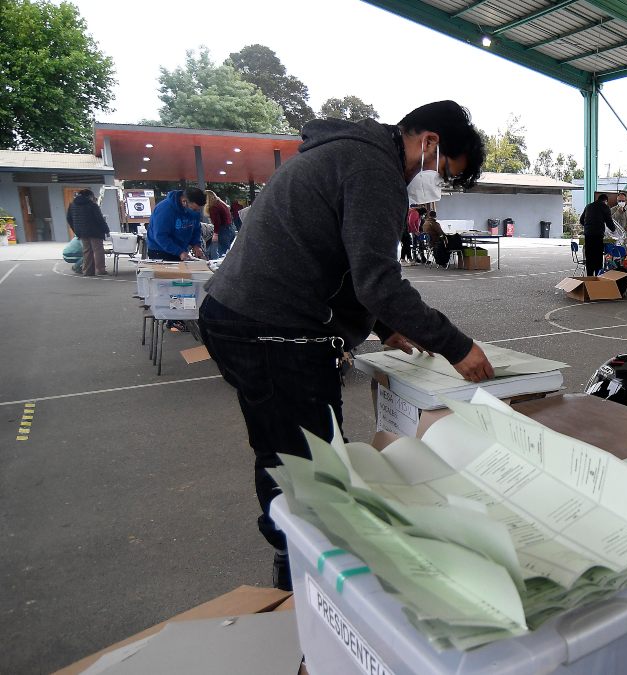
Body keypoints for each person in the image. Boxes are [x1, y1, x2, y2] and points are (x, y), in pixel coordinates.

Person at [197, 100, 494, 590]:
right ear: (430, 144)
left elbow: (343, 260)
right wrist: (456, 346)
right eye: (445, 172)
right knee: (310, 466)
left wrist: (381, 327)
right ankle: (301, 575)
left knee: (285, 448)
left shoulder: (350, 153)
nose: (436, 184)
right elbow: (379, 281)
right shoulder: (374, 169)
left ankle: (294, 558)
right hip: (273, 329)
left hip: (243, 317)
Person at [147, 187, 206, 261]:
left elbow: (196, 229)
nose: (196, 212)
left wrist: (196, 245)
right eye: (194, 209)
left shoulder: (195, 211)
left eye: (198, 209)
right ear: (184, 201)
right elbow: (160, 236)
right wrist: (179, 252)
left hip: (181, 249)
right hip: (160, 250)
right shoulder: (164, 210)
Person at [66, 188, 109, 276]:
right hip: (95, 231)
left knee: (87, 251)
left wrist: (76, 229)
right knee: (98, 250)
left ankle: (87, 271)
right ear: (89, 196)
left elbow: (69, 219)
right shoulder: (92, 205)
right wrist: (106, 229)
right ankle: (100, 270)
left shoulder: (72, 205)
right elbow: (99, 219)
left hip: (81, 232)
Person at [580, 193, 616, 276]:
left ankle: (589, 276)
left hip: (588, 235)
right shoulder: (605, 206)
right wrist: (614, 230)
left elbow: (581, 220)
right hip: (598, 235)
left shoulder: (588, 206)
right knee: (598, 256)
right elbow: (609, 221)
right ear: (605, 201)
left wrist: (588, 226)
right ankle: (597, 276)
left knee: (589, 256)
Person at [204, 190, 234, 258]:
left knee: (222, 254)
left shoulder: (213, 207)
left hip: (223, 231)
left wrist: (215, 233)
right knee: (226, 253)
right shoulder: (221, 204)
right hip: (229, 229)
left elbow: (217, 222)